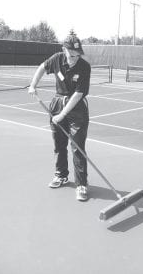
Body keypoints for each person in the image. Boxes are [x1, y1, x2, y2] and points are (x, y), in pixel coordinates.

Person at [28, 34, 91, 201]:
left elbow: (78, 94)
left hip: (76, 108)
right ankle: (61, 175)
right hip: (57, 102)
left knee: (77, 146)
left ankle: (81, 184)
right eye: (71, 55)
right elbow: (42, 67)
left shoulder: (85, 67)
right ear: (64, 50)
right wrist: (33, 85)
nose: (74, 59)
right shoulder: (56, 59)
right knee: (59, 143)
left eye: (77, 55)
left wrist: (63, 114)